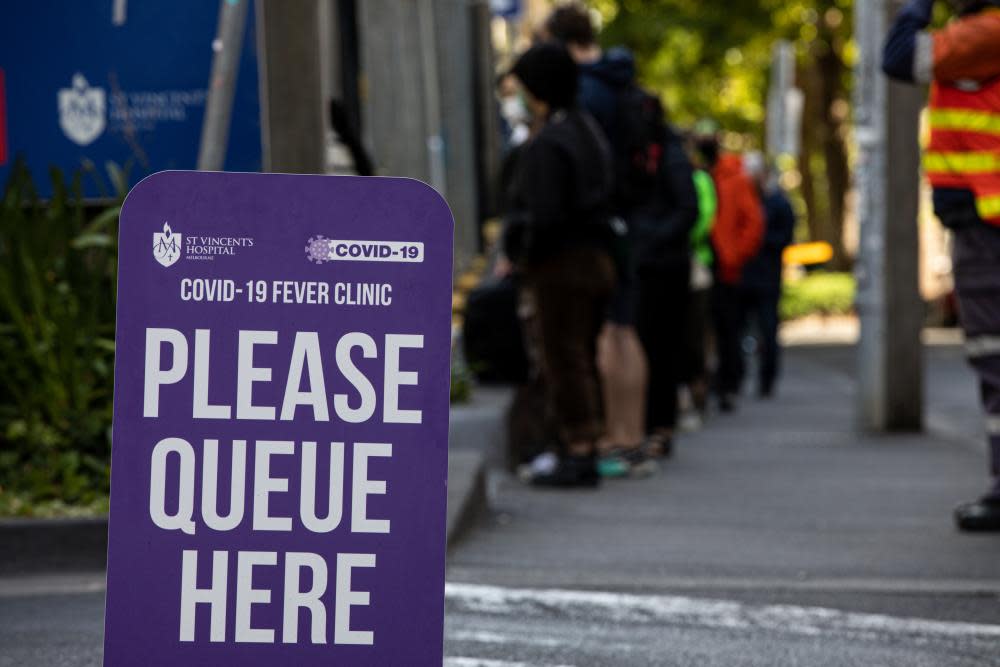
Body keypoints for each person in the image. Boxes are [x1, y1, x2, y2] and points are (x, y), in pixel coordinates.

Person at [545, 4, 697, 465]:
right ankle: (635, 432)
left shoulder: (586, 93)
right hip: (637, 224)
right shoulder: (622, 81)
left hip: (609, 228)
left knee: (610, 334)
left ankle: (615, 435)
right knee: (630, 332)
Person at [883, 0, 1000, 531]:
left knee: (994, 357)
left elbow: (900, 56)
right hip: (981, 220)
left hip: (988, 225)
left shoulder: (986, 32)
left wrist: (915, 8)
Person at [504, 42, 618, 487]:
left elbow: (546, 215)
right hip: (595, 259)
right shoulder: (587, 130)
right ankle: (583, 444)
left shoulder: (550, 141)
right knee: (581, 354)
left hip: (561, 266)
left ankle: (577, 447)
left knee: (562, 357)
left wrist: (521, 255)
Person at [693, 120, 765, 413]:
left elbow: (753, 223)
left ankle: (726, 385)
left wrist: (734, 254)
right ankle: (705, 384)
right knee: (700, 329)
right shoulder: (697, 175)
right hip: (702, 264)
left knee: (727, 329)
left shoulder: (735, 179)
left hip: (725, 269)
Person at [740, 152, 795, 398]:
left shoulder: (778, 204)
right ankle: (735, 380)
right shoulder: (741, 200)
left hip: (767, 277)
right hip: (742, 276)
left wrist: (758, 241)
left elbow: (785, 237)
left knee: (768, 328)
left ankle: (767, 380)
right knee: (737, 329)